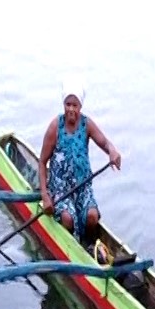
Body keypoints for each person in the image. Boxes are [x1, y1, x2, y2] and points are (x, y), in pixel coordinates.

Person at [39, 79, 121, 244]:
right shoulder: (55, 127)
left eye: (75, 105)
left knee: (92, 217)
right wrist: (45, 195)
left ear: (80, 106)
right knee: (68, 219)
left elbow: (104, 143)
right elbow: (42, 162)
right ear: (63, 105)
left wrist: (112, 151)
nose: (71, 109)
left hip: (82, 187)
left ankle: (88, 245)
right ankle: (68, 243)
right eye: (68, 104)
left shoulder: (86, 124)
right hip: (60, 190)